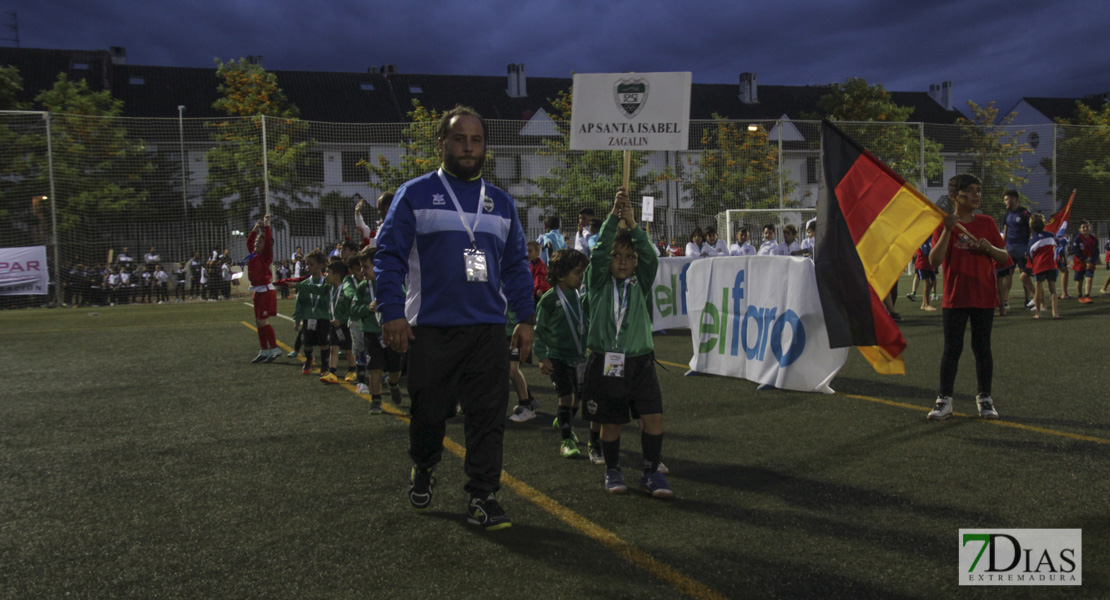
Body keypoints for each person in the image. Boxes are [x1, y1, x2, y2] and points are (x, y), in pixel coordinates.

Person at [374, 105, 534, 530]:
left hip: (487, 330)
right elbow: (387, 256)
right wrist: (392, 312)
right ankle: (423, 465)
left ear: (486, 147)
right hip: (431, 329)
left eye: (476, 139)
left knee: (487, 417)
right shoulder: (415, 193)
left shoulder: (500, 203)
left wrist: (525, 317)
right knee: (429, 414)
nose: (468, 146)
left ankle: (483, 496)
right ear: (441, 144)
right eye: (459, 138)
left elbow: (517, 264)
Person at [581, 188, 671, 498]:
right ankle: (613, 469)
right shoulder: (598, 283)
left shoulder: (642, 282)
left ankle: (650, 472)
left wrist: (632, 223)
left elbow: (649, 255)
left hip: (640, 360)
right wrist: (611, 216)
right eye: (617, 256)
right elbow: (600, 249)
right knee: (611, 421)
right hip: (607, 360)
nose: (623, 261)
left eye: (629, 257)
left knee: (653, 418)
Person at [926, 174, 1009, 421]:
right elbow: (934, 260)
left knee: (982, 348)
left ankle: (985, 399)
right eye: (970, 191)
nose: (976, 195)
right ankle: (944, 401)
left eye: (978, 190)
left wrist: (990, 248)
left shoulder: (987, 222)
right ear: (955, 197)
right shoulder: (945, 225)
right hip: (955, 297)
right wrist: (947, 230)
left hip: (983, 296)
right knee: (952, 349)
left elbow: (1004, 257)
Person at [534, 248, 599, 460]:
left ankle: (564, 420)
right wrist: (543, 356)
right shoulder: (549, 300)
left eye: (583, 272)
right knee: (567, 396)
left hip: (580, 357)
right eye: (577, 272)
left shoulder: (581, 296)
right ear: (561, 274)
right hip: (558, 357)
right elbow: (540, 330)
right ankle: (566, 440)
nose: (581, 277)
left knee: (578, 397)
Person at [246, 215, 281, 363]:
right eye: (256, 241)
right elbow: (249, 241)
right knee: (258, 321)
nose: (255, 243)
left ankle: (274, 348)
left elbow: (267, 242)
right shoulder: (254, 255)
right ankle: (264, 350)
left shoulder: (266, 256)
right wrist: (256, 228)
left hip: (266, 291)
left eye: (259, 241)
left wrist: (266, 226)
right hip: (258, 291)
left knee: (263, 321)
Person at [999, 190, 1035, 315]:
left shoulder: (1024, 213)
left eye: (1006, 199)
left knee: (1024, 275)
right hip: (1010, 249)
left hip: (1022, 250)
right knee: (1007, 276)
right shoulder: (1007, 213)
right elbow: (1006, 230)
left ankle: (1028, 300)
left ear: (1014, 199)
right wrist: (1003, 246)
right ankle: (1005, 300)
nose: (1005, 202)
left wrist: (1029, 247)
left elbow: (1032, 229)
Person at [1027, 214, 1060, 319]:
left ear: (1031, 226)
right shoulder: (1050, 235)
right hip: (1051, 264)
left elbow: (1030, 255)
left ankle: (1038, 313)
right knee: (1053, 290)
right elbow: (1057, 244)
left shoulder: (1031, 241)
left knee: (1038, 289)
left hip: (1038, 266)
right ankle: (1055, 313)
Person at [1070, 220, 1098, 303]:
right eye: (1083, 227)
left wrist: (1092, 261)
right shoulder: (1077, 239)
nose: (1086, 229)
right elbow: (1077, 252)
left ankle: (1087, 296)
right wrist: (1085, 261)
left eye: (1087, 227)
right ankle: (1080, 296)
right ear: (1080, 229)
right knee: (1079, 280)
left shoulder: (1094, 239)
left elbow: (1096, 252)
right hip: (1080, 262)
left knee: (1089, 278)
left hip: (1090, 262)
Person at [912, 238, 937, 311]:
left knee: (932, 281)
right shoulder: (922, 238)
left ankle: (924, 303)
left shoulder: (931, 237)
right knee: (927, 282)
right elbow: (925, 251)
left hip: (930, 263)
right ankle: (927, 305)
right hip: (922, 263)